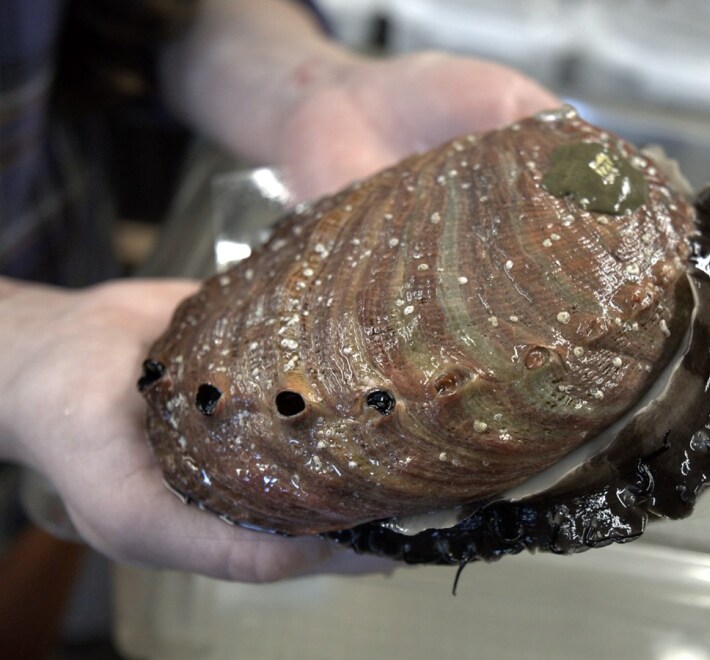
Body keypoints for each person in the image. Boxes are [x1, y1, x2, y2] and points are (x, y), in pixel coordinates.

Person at [0, 0, 558, 581]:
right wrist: (17, 352)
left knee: (41, 571)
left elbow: (131, 20)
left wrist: (307, 88)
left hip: (65, 288)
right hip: (47, 385)